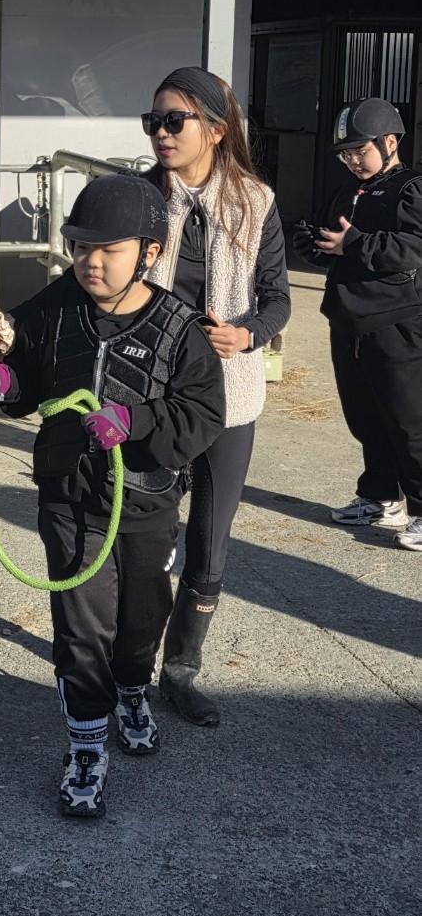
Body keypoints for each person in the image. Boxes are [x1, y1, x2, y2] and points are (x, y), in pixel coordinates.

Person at [0, 175, 225, 819]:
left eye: (109, 249)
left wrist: (136, 420)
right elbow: (26, 385)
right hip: (69, 497)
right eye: (79, 246)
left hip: (147, 502)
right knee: (80, 628)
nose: (90, 261)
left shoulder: (180, 328)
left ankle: (133, 690)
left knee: (141, 622)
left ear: (150, 251)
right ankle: (86, 746)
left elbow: (203, 414)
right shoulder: (55, 305)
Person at [142, 67, 290, 726]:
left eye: (174, 120)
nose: (161, 133)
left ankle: (181, 671)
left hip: (229, 397)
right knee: (145, 538)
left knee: (209, 543)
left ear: (216, 129)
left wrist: (248, 332)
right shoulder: (140, 196)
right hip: (152, 394)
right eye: (153, 122)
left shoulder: (256, 202)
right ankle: (128, 661)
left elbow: (279, 298)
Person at [293, 97, 422, 551]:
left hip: (398, 323)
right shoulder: (347, 191)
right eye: (345, 153)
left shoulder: (411, 189)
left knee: (409, 422)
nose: (352, 160)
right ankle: (380, 497)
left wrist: (355, 243)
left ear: (390, 142)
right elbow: (328, 237)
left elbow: (412, 247)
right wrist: (312, 244)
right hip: (347, 319)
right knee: (365, 418)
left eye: (360, 150)